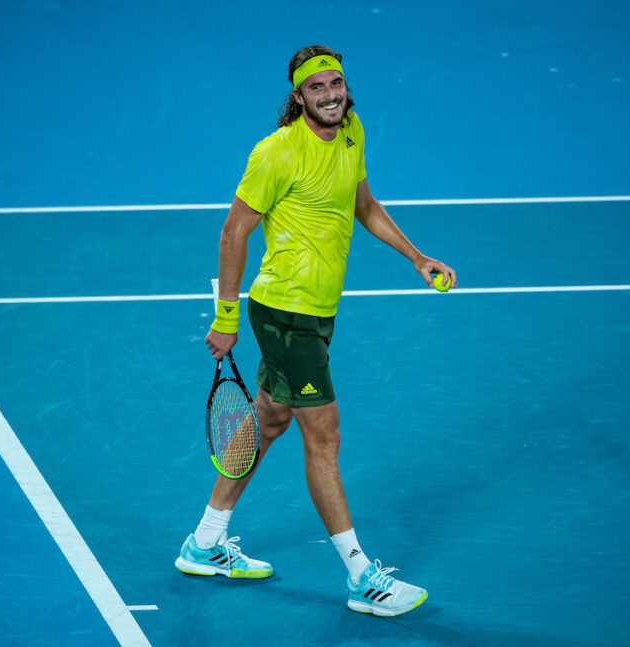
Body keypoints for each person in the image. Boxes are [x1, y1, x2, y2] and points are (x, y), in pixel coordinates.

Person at [174, 44, 456, 617]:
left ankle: (204, 541)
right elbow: (234, 233)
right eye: (317, 88)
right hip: (284, 314)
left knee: (270, 419)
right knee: (323, 437)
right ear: (298, 96)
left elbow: (365, 204)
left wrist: (416, 257)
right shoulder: (276, 153)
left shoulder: (351, 131)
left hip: (318, 312)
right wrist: (226, 318)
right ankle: (361, 577)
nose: (331, 95)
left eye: (337, 84)